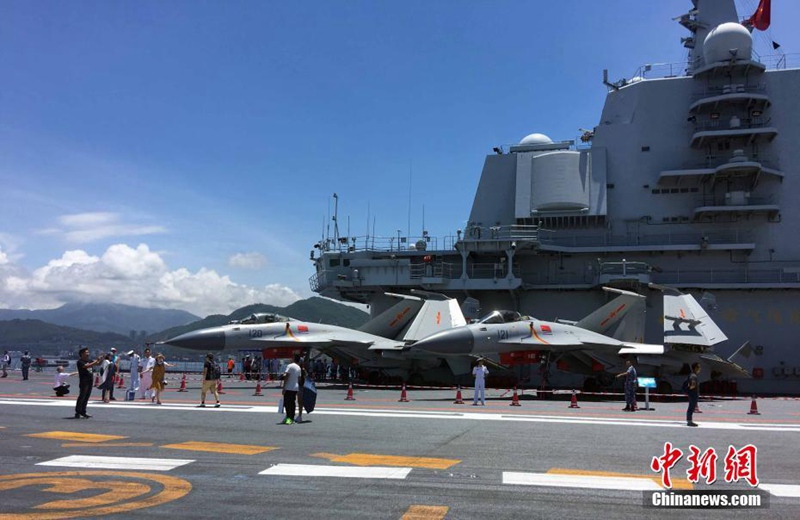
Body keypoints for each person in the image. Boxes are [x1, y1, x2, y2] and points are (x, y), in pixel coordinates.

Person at [75, 347, 104, 419]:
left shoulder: (89, 360)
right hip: (84, 381)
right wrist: (95, 361)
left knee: (87, 396)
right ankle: (78, 411)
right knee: (82, 396)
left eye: (88, 352)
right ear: (82, 354)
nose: (88, 354)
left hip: (90, 380)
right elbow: (86, 366)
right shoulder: (80, 361)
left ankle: (83, 411)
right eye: (86, 352)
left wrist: (101, 359)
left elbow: (97, 364)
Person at [281, 354, 302, 424]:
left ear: (293, 358)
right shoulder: (298, 367)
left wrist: (284, 387)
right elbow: (299, 378)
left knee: (287, 404)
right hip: (295, 387)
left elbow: (286, 376)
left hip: (289, 387)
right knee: (292, 403)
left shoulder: (290, 366)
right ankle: (292, 418)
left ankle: (288, 418)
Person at [686, 362, 701, 427]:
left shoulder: (691, 375)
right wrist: (692, 388)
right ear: (695, 368)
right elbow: (693, 384)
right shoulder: (693, 376)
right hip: (693, 394)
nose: (700, 369)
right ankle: (689, 421)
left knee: (691, 407)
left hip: (692, 394)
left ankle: (689, 420)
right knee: (691, 408)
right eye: (698, 367)